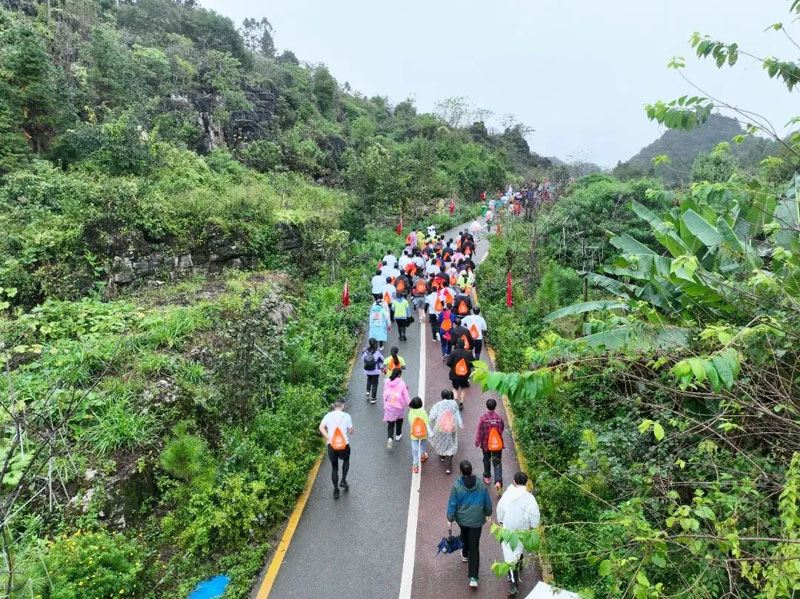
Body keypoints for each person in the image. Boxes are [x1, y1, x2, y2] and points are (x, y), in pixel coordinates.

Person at [446, 460, 492, 589]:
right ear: (471, 470)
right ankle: (474, 577)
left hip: (462, 519)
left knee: (464, 534)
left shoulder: (457, 486)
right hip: (477, 520)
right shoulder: (481, 485)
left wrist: (450, 518)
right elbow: (487, 501)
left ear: (461, 471)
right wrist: (488, 513)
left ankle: (465, 553)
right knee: (475, 546)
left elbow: (452, 503)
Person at [496, 472, 541, 597]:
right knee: (518, 550)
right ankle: (519, 562)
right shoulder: (529, 498)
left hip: (508, 531)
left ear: (514, 481)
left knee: (509, 557)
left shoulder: (507, 495)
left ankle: (513, 583)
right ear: (526, 483)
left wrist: (500, 521)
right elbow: (534, 515)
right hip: (522, 531)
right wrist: (534, 526)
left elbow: (500, 509)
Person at [318, 400, 354, 500]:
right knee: (346, 460)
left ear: (334, 406)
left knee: (334, 467)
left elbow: (321, 427)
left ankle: (336, 490)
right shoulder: (347, 416)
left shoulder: (328, 416)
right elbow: (350, 431)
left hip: (332, 445)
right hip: (344, 444)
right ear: (343, 406)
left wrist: (329, 438)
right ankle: (343, 480)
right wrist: (350, 430)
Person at [429, 389, 463, 474]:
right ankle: (448, 468)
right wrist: (460, 423)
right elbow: (457, 414)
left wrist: (428, 422)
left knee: (441, 442)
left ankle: (442, 456)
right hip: (451, 428)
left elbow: (432, 416)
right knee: (451, 445)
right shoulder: (454, 404)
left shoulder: (438, 405)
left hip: (440, 428)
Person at [476, 398, 505, 494]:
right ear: (495, 406)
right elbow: (501, 429)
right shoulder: (499, 418)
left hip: (486, 444)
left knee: (486, 459)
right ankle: (498, 481)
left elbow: (480, 432)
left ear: (487, 406)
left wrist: (477, 442)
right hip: (497, 444)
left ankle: (487, 476)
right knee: (497, 462)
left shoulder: (483, 418)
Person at [383, 368, 410, 449]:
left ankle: (390, 437)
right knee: (399, 420)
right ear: (399, 374)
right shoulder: (401, 382)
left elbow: (384, 393)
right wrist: (409, 406)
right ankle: (398, 434)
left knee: (390, 423)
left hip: (389, 405)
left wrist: (385, 404)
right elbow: (406, 396)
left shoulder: (387, 381)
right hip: (398, 406)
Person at [447, 339, 474, 408]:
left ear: (457, 345)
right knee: (463, 388)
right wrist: (468, 367)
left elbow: (449, 363)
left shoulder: (453, 352)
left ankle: (456, 399)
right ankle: (461, 403)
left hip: (455, 374)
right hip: (464, 375)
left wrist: (453, 367)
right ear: (464, 345)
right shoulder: (468, 353)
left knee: (455, 388)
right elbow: (473, 363)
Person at [408, 396, 430, 474]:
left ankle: (415, 465)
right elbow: (427, 421)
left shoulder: (411, 412)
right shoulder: (423, 412)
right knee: (423, 445)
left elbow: (410, 422)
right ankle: (423, 455)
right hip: (423, 433)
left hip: (414, 434)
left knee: (415, 450)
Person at [362, 338, 384, 404]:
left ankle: (368, 391)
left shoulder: (365, 352)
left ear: (369, 343)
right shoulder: (377, 352)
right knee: (375, 384)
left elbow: (362, 358)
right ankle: (373, 398)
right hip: (375, 371)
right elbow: (383, 359)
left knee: (369, 379)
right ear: (375, 344)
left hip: (367, 370)